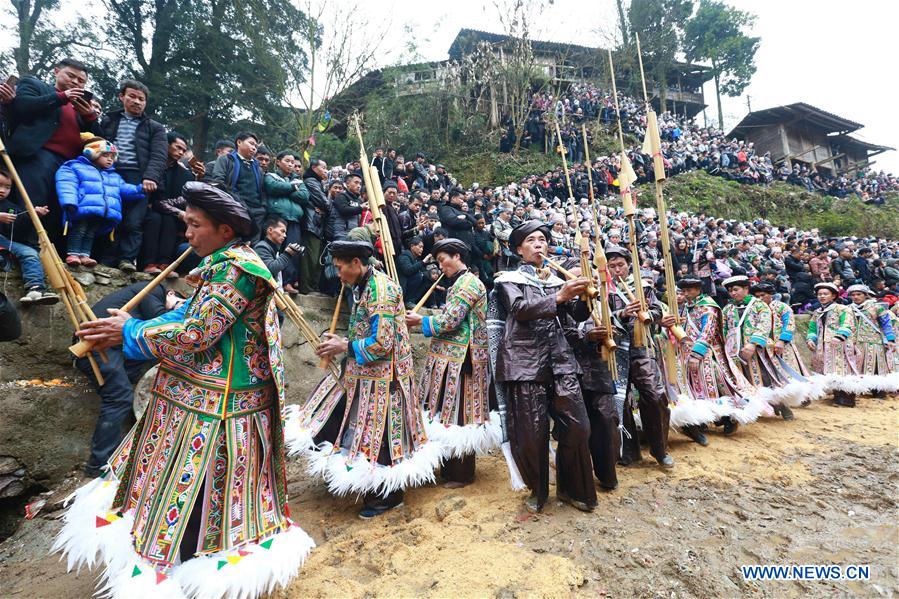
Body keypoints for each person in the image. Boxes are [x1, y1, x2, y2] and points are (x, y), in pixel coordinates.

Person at [56, 181, 313, 597]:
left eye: (195, 225)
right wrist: (130, 328)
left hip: (225, 403)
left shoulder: (237, 271)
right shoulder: (221, 264)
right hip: (201, 394)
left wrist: (131, 331)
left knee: (208, 485)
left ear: (225, 230)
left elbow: (197, 333)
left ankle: (194, 563)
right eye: (186, 223)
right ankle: (180, 556)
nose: (187, 233)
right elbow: (189, 317)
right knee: (186, 481)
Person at [287, 240, 438, 519]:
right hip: (365, 373)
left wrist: (344, 346)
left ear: (356, 263)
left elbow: (382, 343)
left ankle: (387, 497)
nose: (338, 274)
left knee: (382, 434)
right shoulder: (363, 285)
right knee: (354, 422)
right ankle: (364, 484)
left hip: (387, 377)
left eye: (340, 267)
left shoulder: (380, 291)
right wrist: (341, 342)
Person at [492, 221, 597, 513]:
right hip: (524, 363)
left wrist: (585, 296)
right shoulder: (508, 280)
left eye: (542, 239)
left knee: (578, 427)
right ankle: (537, 491)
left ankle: (571, 488)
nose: (539, 244)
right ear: (518, 249)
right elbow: (519, 310)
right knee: (531, 433)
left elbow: (576, 315)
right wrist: (561, 296)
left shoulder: (555, 280)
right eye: (531, 240)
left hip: (561, 360)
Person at [405, 238, 497, 487]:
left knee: (460, 415)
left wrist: (419, 321)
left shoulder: (467, 283)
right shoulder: (460, 283)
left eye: (442, 260)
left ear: (457, 256)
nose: (440, 266)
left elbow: (450, 320)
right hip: (453, 358)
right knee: (448, 412)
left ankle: (461, 473)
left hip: (463, 360)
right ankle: (450, 469)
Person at [74, 281, 182, 476]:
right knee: (119, 397)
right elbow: (159, 321)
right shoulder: (154, 288)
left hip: (115, 348)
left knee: (139, 367)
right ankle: (98, 465)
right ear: (171, 293)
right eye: (179, 302)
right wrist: (178, 312)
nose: (178, 308)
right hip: (95, 345)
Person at [6, 58, 98, 250]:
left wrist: (89, 117)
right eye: (71, 76)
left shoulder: (79, 105)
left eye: (81, 81)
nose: (75, 82)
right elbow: (21, 105)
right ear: (56, 72)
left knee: (59, 206)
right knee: (33, 201)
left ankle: (54, 251)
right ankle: (26, 248)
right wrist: (61, 97)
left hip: (70, 165)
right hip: (38, 155)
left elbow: (98, 139)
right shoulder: (36, 85)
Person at [604, 245, 674, 469]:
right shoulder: (603, 289)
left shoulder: (643, 287)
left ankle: (660, 449)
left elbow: (658, 311)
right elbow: (600, 317)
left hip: (641, 347)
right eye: (612, 266)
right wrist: (622, 314)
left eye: (621, 265)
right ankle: (628, 451)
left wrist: (646, 314)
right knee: (619, 400)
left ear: (628, 265)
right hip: (615, 351)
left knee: (654, 395)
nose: (617, 270)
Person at [96, 80, 167, 272]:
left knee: (134, 221)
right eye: (132, 96)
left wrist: (151, 177)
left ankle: (127, 259)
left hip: (139, 177)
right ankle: (106, 259)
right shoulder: (108, 121)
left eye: (141, 99)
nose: (137, 101)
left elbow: (159, 155)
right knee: (110, 216)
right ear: (122, 97)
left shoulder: (155, 127)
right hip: (111, 174)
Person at [55, 134, 145, 267]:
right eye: (105, 155)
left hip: (101, 212)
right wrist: (69, 201)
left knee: (90, 233)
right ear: (91, 153)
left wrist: (139, 189)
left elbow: (124, 188)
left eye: (112, 157)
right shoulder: (74, 167)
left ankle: (85, 255)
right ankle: (73, 253)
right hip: (81, 208)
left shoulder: (113, 176)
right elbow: (67, 185)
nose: (110, 159)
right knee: (79, 230)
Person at [140, 131, 203, 274]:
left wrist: (199, 177)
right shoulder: (153, 165)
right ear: (167, 145)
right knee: (155, 219)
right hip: (148, 207)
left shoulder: (183, 172)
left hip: (168, 210)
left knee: (169, 220)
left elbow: (185, 197)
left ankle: (165, 264)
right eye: (177, 147)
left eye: (183, 150)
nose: (181, 152)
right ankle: (149, 263)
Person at [0, 167, 59, 305]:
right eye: (0, 185)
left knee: (30, 253)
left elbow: (17, 227)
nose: (2, 190)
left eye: (7, 187)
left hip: (3, 241)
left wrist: (32, 214)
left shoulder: (10, 207)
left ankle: (35, 289)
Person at [807, 282, 859, 407]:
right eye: (819, 294)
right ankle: (837, 396)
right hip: (823, 346)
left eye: (825, 294)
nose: (822, 296)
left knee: (842, 370)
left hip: (841, 345)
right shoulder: (817, 312)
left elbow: (847, 324)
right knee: (830, 370)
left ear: (833, 296)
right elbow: (812, 328)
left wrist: (840, 336)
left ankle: (847, 399)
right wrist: (811, 339)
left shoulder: (842, 309)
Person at [264, 150, 308, 293]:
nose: (291, 164)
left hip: (294, 220)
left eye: (293, 162)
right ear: (278, 162)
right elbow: (273, 187)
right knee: (274, 248)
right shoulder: (271, 176)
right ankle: (271, 279)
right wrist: (293, 188)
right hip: (276, 217)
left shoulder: (298, 180)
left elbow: (305, 197)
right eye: (287, 161)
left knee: (293, 249)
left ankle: (288, 282)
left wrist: (286, 190)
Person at [847, 284, 898, 394]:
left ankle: (879, 391)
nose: (856, 297)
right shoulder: (847, 309)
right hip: (853, 342)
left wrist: (890, 339)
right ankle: (860, 389)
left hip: (874, 342)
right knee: (856, 366)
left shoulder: (876, 307)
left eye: (859, 294)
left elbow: (886, 324)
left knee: (876, 367)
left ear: (865, 295)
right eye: (853, 295)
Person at [211, 131, 266, 233]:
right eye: (251, 143)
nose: (254, 148)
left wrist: (263, 207)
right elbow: (218, 181)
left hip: (257, 211)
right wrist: (234, 202)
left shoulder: (257, 167)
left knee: (254, 240)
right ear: (239, 142)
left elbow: (262, 190)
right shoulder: (226, 160)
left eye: (255, 146)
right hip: (235, 208)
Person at [299, 157, 329, 294]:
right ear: (314, 168)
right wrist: (327, 204)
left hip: (317, 224)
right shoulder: (311, 182)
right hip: (311, 224)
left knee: (316, 258)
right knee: (310, 258)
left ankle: (313, 287)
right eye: (323, 167)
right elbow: (325, 203)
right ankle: (307, 288)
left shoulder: (318, 183)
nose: (326, 171)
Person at [253, 216, 304, 289]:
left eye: (285, 232)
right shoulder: (261, 247)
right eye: (282, 231)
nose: (285, 236)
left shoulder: (273, 248)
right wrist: (287, 254)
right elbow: (270, 270)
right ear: (270, 230)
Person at [396, 236, 430, 307]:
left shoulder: (415, 259)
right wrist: (423, 261)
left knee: (427, 279)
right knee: (418, 275)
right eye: (420, 247)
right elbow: (408, 270)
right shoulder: (404, 256)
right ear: (412, 246)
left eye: (422, 247)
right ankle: (407, 301)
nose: (422, 249)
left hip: (408, 285)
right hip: (402, 286)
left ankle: (413, 301)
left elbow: (423, 271)